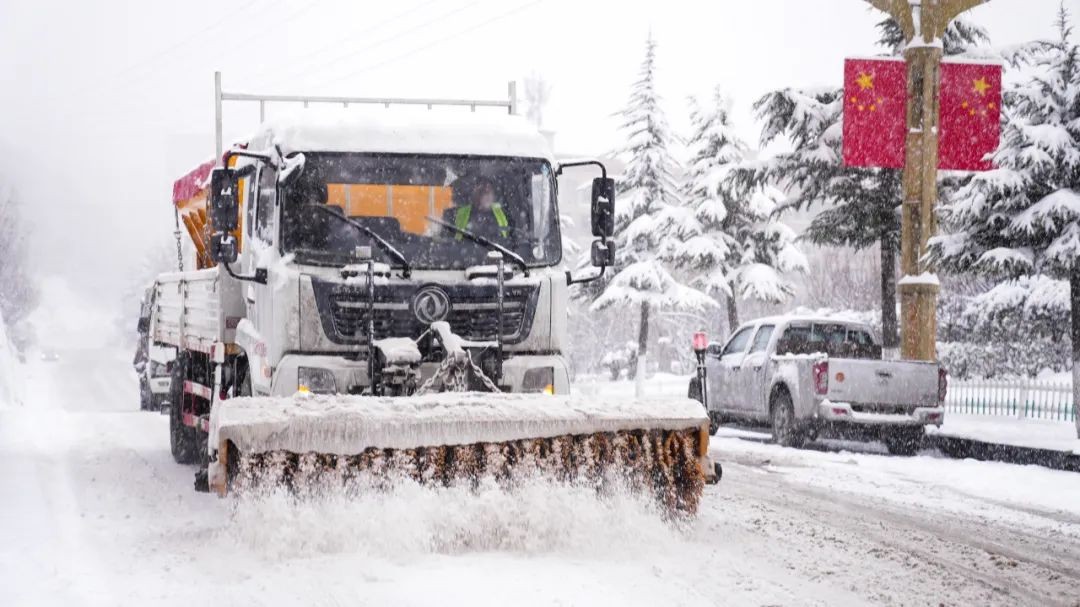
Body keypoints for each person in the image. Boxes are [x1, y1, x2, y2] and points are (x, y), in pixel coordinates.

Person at [444, 176, 510, 241]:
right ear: (475, 192)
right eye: (483, 190)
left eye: (490, 189)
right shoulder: (457, 213)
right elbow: (447, 241)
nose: (487, 193)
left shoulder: (503, 214)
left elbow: (509, 240)